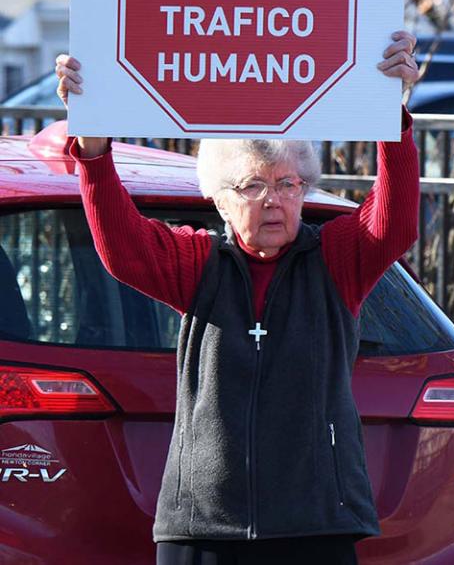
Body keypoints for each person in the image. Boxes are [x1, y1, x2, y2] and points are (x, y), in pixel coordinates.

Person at [56, 31, 420, 565]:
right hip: (205, 524)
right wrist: (92, 149)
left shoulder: (336, 261)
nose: (274, 200)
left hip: (315, 519)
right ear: (221, 201)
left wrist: (393, 116)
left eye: (289, 184)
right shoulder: (199, 263)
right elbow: (123, 248)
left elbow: (394, 222)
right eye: (253, 186)